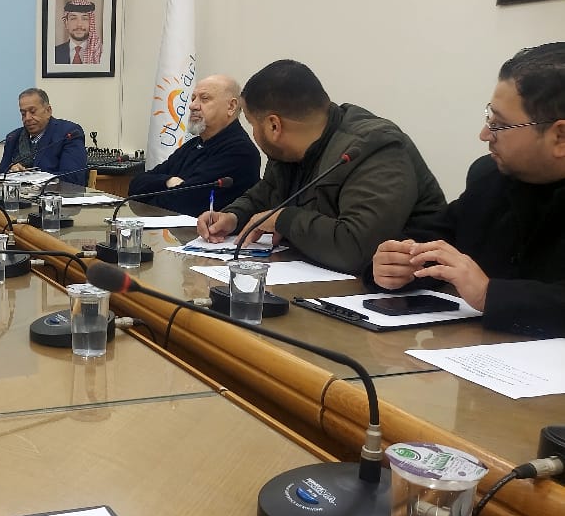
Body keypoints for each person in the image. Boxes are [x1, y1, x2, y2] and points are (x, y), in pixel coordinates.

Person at [371, 43, 565, 336]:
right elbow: (432, 242)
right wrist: (395, 265)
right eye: (489, 118)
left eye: (500, 125)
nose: (484, 135)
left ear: (560, 136)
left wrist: (489, 294)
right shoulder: (490, 178)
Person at [197, 59, 446, 273]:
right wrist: (233, 216)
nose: (253, 133)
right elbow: (266, 195)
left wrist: (284, 219)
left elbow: (356, 248)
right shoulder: (288, 150)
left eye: (253, 124)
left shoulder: (374, 148)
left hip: (408, 296)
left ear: (274, 126)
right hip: (320, 279)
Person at [127, 74, 260, 214]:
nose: (192, 105)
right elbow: (136, 185)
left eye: (204, 98)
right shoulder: (193, 145)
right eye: (193, 98)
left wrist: (151, 194)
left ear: (231, 106)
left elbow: (181, 204)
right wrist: (168, 181)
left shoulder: (239, 151)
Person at [0, 88, 88, 185]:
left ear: (48, 111)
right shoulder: (13, 137)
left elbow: (73, 177)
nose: (27, 118)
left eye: (32, 112)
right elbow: (1, 175)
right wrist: (11, 170)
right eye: (23, 114)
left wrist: (29, 176)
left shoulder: (68, 134)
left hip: (56, 193)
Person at [53, 0, 103, 65]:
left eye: (84, 19)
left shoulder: (101, 53)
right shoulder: (53, 53)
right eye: (73, 18)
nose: (79, 24)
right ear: (66, 23)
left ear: (91, 23)